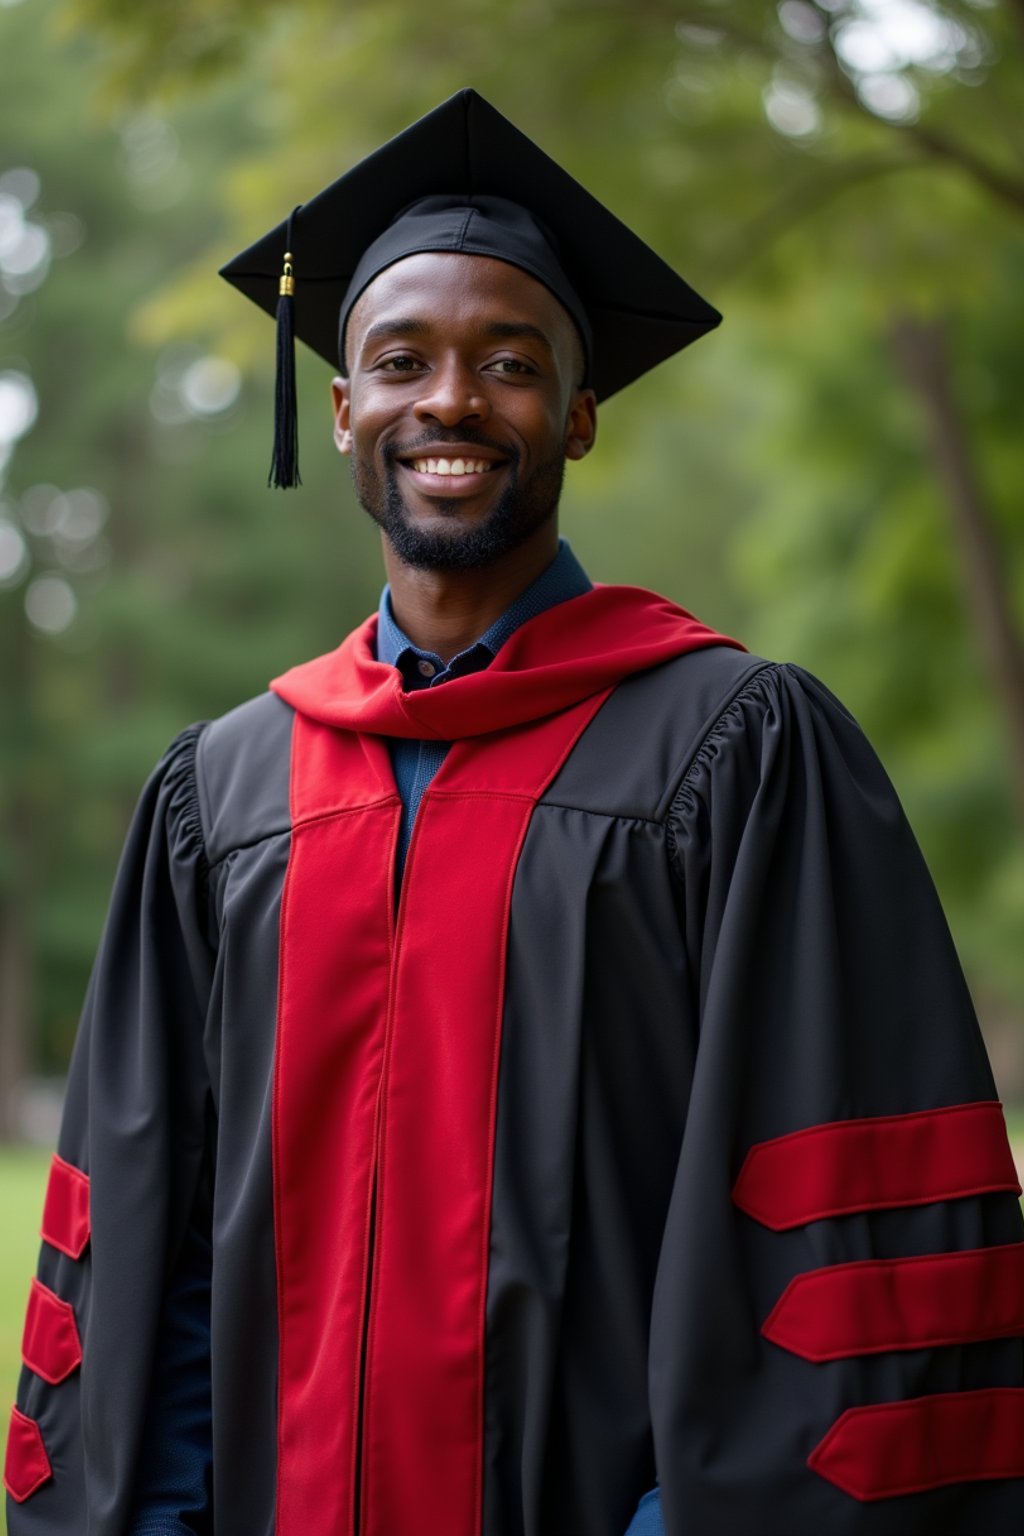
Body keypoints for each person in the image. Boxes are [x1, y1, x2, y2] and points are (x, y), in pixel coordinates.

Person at [5, 88, 1023, 1536]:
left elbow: (843, 1229)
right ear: (343, 404)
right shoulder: (220, 798)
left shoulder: (733, 756)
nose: (453, 401)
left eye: (511, 362)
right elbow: (139, 1270)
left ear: (582, 413)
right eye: (401, 360)